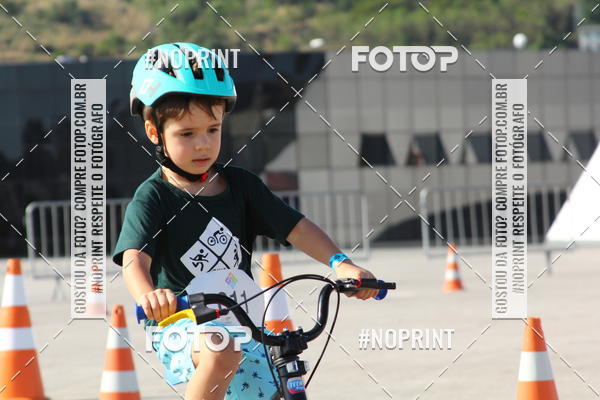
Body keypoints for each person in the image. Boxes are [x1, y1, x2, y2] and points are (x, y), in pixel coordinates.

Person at [112, 42, 378, 400]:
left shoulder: (242, 186)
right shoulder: (154, 196)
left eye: (212, 129)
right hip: (180, 323)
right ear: (154, 132)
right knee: (220, 349)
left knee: (276, 387)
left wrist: (341, 263)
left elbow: (296, 228)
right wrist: (150, 296)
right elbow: (134, 258)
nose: (203, 144)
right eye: (187, 134)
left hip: (245, 323)